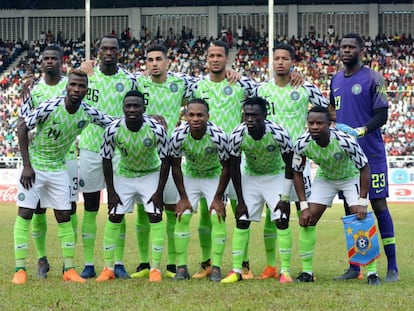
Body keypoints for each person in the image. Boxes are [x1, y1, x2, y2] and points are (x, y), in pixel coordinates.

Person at [13, 69, 113, 284]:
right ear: (67, 87)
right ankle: (19, 269)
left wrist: (146, 118)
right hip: (36, 165)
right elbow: (22, 127)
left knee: (64, 215)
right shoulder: (50, 106)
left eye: (81, 86)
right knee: (26, 212)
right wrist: (27, 166)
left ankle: (69, 269)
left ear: (87, 89)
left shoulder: (87, 111)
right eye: (73, 85)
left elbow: (112, 123)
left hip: (58, 167)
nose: (77, 89)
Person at [253, 43, 329, 283]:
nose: (280, 62)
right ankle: (271, 266)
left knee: (304, 211)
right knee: (272, 213)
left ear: (292, 62)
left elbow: (328, 111)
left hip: (299, 159)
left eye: (285, 58)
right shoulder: (261, 90)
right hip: (272, 161)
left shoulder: (305, 87)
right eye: (277, 58)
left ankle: (307, 269)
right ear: (271, 62)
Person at [329, 33, 399, 282]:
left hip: (371, 153)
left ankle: (392, 266)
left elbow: (382, 115)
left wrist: (360, 130)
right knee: (351, 208)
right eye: (342, 46)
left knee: (379, 205)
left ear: (360, 51)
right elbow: (332, 112)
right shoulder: (335, 80)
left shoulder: (373, 78)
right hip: (346, 156)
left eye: (351, 47)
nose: (346, 50)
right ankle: (355, 267)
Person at [186, 40, 257, 280]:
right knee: (207, 213)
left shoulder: (241, 83)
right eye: (211, 55)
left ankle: (244, 264)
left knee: (240, 209)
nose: (215, 59)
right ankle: (207, 262)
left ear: (227, 58)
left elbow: (265, 94)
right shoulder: (196, 86)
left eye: (219, 55)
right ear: (206, 59)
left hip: (236, 157)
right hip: (207, 159)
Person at [292, 106, 380, 285]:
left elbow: (364, 169)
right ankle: (307, 272)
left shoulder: (344, 140)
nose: (315, 127)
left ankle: (372, 273)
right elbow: (296, 172)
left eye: (319, 123)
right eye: (311, 123)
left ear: (329, 124)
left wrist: (363, 202)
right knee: (307, 219)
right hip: (325, 178)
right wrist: (304, 206)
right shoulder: (302, 143)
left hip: (350, 177)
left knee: (360, 216)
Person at [130, 43, 191, 280]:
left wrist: (231, 72)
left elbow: (210, 85)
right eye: (149, 60)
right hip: (143, 155)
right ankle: (145, 262)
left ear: (167, 62)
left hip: (170, 153)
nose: (154, 63)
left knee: (170, 209)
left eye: (158, 59)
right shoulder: (137, 82)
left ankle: (173, 263)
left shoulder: (181, 83)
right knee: (142, 211)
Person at [78, 34, 137, 279]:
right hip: (91, 148)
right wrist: (76, 68)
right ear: (97, 51)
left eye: (113, 48)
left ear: (120, 52)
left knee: (118, 208)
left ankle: (118, 263)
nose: (109, 52)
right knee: (90, 207)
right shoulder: (86, 76)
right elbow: (65, 88)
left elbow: (140, 106)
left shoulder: (130, 80)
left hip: (119, 152)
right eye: (104, 48)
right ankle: (89, 263)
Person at [96, 90, 169, 282]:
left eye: (136, 106)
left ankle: (155, 269)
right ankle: (108, 268)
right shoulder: (112, 129)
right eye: (128, 106)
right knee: (114, 216)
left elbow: (166, 160)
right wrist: (110, 191)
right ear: (123, 108)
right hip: (124, 175)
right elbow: (106, 159)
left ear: (144, 108)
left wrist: (159, 192)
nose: (132, 109)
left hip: (150, 174)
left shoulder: (156, 129)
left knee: (155, 215)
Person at [19, 45, 79, 279]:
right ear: (41, 62)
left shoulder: (72, 85)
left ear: (61, 62)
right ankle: (42, 259)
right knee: (37, 209)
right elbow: (23, 121)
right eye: (46, 58)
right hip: (39, 157)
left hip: (67, 157)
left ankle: (69, 264)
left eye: (55, 58)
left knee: (69, 209)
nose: (50, 62)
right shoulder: (32, 88)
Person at [221, 96, 293, 283]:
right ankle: (236, 270)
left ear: (265, 115)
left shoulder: (279, 133)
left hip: (275, 176)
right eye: (247, 115)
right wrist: (240, 200)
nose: (250, 119)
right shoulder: (237, 135)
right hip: (251, 177)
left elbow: (289, 165)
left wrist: (285, 197)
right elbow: (234, 168)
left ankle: (285, 271)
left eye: (255, 115)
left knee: (282, 219)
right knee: (242, 219)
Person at [170, 98, 230, 282]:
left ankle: (216, 267)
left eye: (200, 115)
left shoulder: (218, 135)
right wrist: (182, 197)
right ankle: (181, 268)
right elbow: (176, 166)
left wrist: (218, 197)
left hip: (214, 175)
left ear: (208, 117)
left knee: (216, 215)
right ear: (185, 116)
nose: (195, 118)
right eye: (191, 115)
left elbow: (227, 167)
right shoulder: (178, 135)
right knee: (183, 214)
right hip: (191, 175)